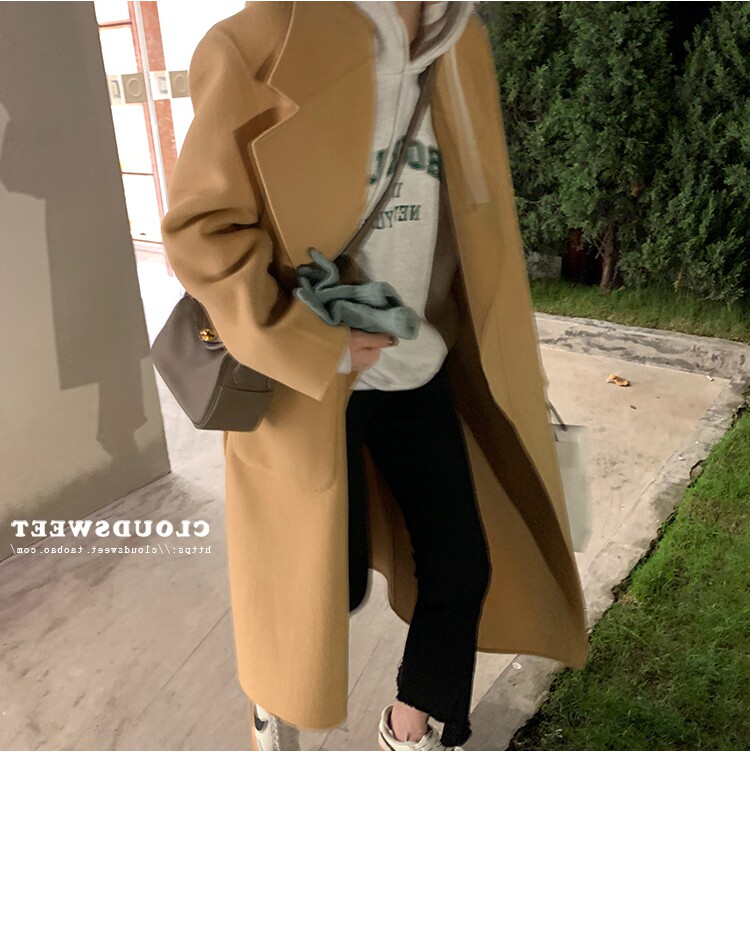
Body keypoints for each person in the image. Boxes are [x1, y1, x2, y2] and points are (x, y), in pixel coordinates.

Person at [161, 1, 590, 752]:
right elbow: (203, 230)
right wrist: (309, 341)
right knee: (318, 584)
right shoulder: (259, 42)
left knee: (461, 564)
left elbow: (478, 216)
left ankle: (412, 726)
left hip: (417, 365)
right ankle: (272, 699)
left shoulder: (459, 45)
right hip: (305, 385)